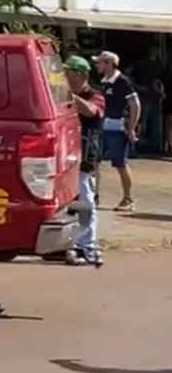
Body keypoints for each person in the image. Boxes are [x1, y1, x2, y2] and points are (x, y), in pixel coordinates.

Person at [64, 55, 104, 267]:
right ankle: (68, 242)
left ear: (80, 75)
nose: (64, 77)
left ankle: (88, 245)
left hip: (86, 155)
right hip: (65, 154)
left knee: (86, 200)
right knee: (67, 202)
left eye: (68, 73)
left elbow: (91, 110)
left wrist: (69, 96)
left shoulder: (95, 95)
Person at [95, 50, 141, 211]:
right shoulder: (104, 81)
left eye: (100, 62)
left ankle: (128, 199)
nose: (97, 65)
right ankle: (95, 196)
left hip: (117, 126)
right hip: (101, 126)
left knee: (120, 163)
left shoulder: (123, 82)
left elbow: (135, 105)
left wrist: (131, 128)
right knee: (94, 161)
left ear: (108, 64)